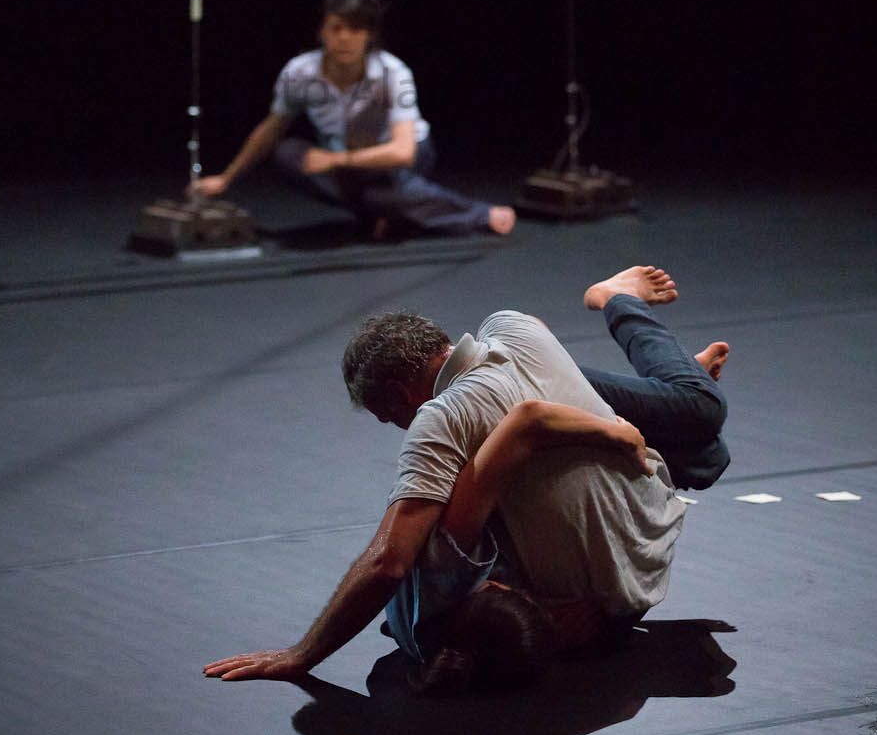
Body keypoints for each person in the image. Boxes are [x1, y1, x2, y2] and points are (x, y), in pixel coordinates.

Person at [203, 265, 728, 687]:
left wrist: (301, 654)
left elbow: (388, 563)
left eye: (389, 417)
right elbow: (533, 364)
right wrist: (610, 427)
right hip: (648, 526)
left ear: (401, 393)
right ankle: (652, 379)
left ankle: (647, 382)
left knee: (435, 506)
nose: (396, 427)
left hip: (617, 592)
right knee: (699, 439)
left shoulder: (439, 420)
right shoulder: (513, 325)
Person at [190, 0, 516, 238]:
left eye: (355, 29)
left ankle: (479, 214)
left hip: (401, 156)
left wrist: (336, 160)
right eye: (336, 28)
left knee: (380, 190)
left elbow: (403, 152)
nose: (344, 38)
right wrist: (227, 178)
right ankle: (386, 213)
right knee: (288, 154)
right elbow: (271, 128)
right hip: (349, 164)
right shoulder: (299, 73)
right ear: (322, 32)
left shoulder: (391, 73)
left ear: (369, 35)